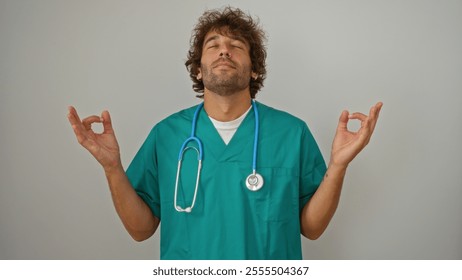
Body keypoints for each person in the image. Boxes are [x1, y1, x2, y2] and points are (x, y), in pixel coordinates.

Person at [67, 7, 382, 259]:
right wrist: (112, 168)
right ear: (199, 69)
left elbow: (311, 228)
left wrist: (339, 166)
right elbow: (140, 229)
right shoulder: (166, 135)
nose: (224, 51)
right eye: (213, 45)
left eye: (236, 46)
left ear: (254, 68)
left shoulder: (291, 133)